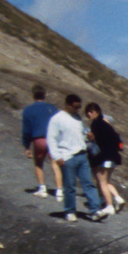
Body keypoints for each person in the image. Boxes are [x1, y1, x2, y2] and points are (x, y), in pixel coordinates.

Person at [46, 94, 105, 222]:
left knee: (89, 184)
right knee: (70, 186)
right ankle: (70, 211)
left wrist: (87, 136)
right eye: (75, 107)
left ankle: (95, 210)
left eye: (79, 107)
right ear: (68, 104)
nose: (78, 109)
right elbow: (51, 139)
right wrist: (56, 156)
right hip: (67, 156)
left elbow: (80, 133)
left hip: (82, 154)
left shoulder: (77, 118)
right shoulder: (57, 119)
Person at [82, 103, 126, 215]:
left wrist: (90, 137)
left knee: (101, 182)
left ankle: (109, 205)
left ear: (97, 111)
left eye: (91, 111)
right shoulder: (107, 124)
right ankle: (118, 198)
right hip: (114, 157)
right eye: (88, 112)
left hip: (104, 157)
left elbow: (96, 140)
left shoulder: (96, 124)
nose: (89, 114)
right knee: (107, 181)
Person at [21, 85, 62, 200]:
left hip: (39, 140)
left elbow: (26, 130)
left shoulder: (28, 110)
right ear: (45, 95)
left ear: (33, 95)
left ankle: (42, 189)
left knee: (38, 163)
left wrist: (27, 146)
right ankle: (59, 191)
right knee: (55, 163)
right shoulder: (52, 108)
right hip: (53, 139)